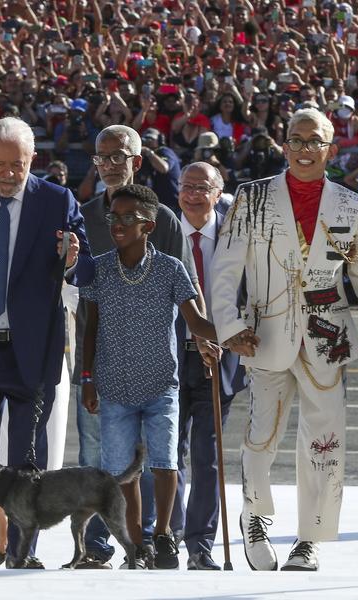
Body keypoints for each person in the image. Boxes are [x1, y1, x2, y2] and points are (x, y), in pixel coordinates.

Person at [210, 108, 358, 571]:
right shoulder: (250, 198)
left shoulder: (351, 205)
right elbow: (225, 270)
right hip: (262, 334)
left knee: (324, 439)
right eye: (297, 140)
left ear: (331, 149)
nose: (306, 149)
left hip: (328, 338)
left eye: (316, 141)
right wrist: (229, 328)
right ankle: (255, 515)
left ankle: (310, 539)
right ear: (284, 146)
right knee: (261, 434)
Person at [0, 117, 93, 569]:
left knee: (27, 457)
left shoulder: (57, 200)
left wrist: (73, 258)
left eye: (18, 165)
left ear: (33, 161)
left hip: (30, 349)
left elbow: (83, 273)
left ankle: (23, 550)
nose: (7, 173)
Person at [80, 184, 220, 570]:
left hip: (162, 385)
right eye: (113, 217)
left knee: (165, 462)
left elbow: (195, 322)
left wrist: (229, 336)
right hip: (113, 386)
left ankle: (163, 536)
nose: (118, 224)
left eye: (128, 218)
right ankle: (136, 543)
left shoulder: (171, 269)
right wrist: (87, 377)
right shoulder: (101, 268)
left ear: (149, 225)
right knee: (123, 471)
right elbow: (89, 327)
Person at [75, 124, 193, 569]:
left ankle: (155, 539)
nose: (108, 164)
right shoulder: (83, 215)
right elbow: (78, 291)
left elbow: (186, 290)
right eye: (100, 157)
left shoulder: (162, 218)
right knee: (99, 456)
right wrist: (85, 372)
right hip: (102, 361)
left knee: (162, 455)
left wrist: (205, 340)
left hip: (156, 361)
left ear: (136, 161)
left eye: (117, 156)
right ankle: (101, 546)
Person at [173, 162, 247, 570]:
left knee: (208, 455)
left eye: (202, 187)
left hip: (220, 357)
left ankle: (199, 544)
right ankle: (168, 536)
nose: (193, 194)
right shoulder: (165, 232)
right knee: (168, 453)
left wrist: (233, 334)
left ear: (218, 193)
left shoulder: (237, 233)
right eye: (187, 186)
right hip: (170, 355)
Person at [138, 128, 182, 214]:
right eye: (145, 139)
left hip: (171, 203)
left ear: (159, 140)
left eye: (151, 139)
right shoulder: (146, 157)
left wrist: (148, 152)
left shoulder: (165, 151)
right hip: (155, 203)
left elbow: (164, 168)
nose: (148, 142)